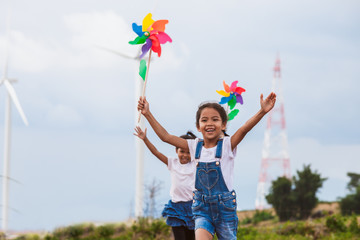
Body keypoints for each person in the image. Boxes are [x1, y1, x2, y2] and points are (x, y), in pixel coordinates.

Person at [137, 92, 276, 240]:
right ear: (198, 126)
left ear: (223, 125)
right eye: (204, 120)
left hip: (225, 209)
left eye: (215, 119)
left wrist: (262, 111)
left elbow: (244, 129)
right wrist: (147, 114)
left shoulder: (227, 145)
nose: (209, 123)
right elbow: (165, 137)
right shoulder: (193, 146)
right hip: (202, 209)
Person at [134, 126, 197, 240]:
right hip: (176, 208)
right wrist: (145, 139)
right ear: (176, 150)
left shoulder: (195, 164)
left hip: (192, 207)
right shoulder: (172, 163)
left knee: (191, 238)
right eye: (182, 151)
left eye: (189, 153)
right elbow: (156, 152)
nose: (185, 155)